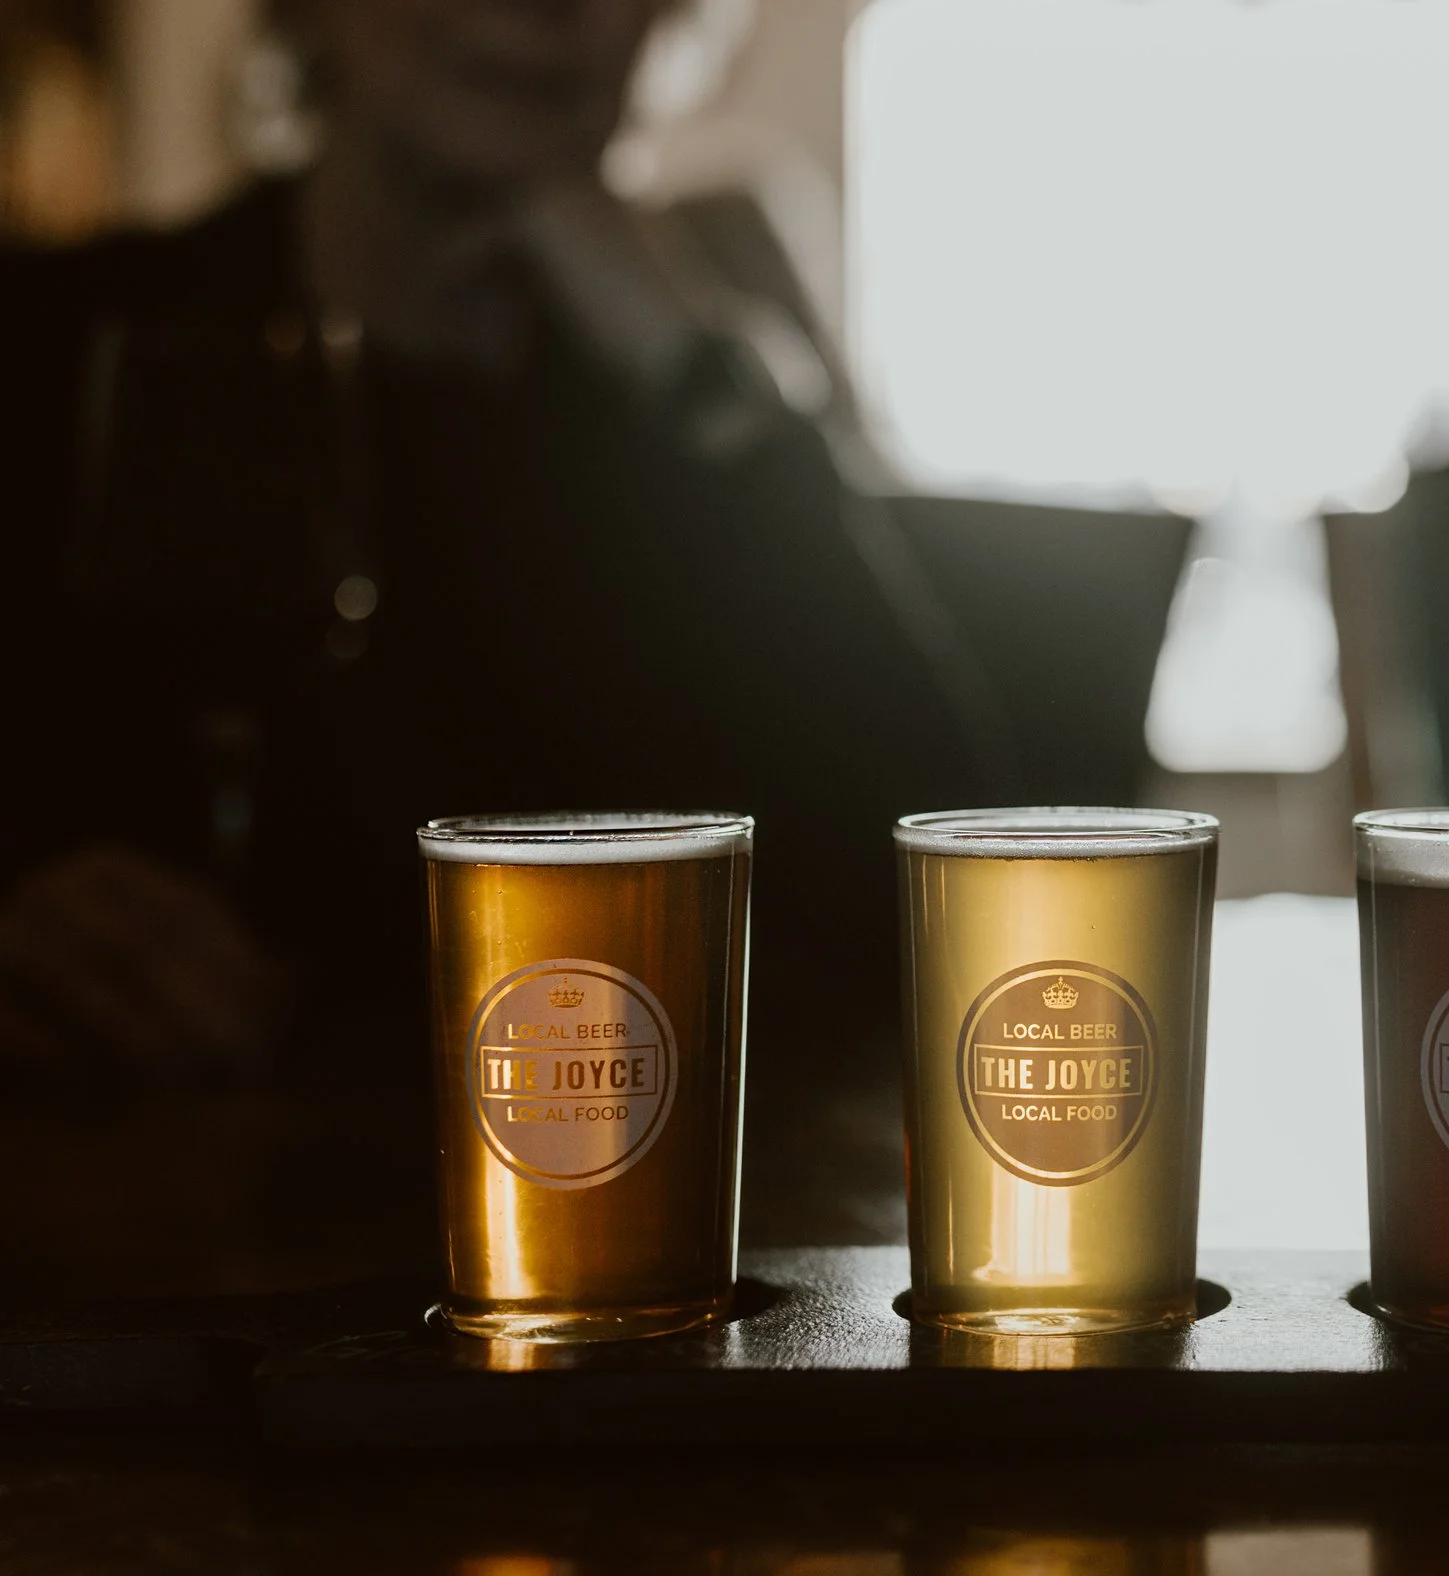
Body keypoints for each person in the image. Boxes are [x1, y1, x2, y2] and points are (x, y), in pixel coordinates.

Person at [0, 0, 1007, 1282]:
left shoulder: (686, 416)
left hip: (625, 1242)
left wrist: (688, 376)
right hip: (130, 1257)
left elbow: (944, 876)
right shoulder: (62, 347)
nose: (541, 14)